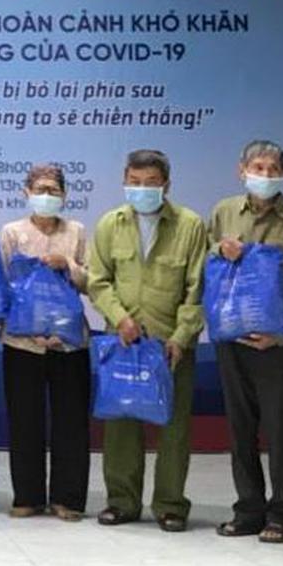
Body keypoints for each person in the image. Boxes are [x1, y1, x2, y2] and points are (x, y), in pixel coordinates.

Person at [87, 149, 206, 532]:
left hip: (171, 346)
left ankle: (170, 504)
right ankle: (122, 501)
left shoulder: (190, 225)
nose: (142, 189)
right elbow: (98, 281)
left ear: (166, 185)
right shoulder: (110, 224)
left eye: (151, 183)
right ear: (125, 181)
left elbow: (197, 288)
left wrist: (181, 336)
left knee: (174, 428)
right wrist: (120, 318)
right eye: (134, 182)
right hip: (123, 343)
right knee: (120, 424)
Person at [207, 140, 283, 544]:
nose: (265, 175)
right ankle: (248, 510)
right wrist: (219, 249)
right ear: (242, 170)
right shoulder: (223, 212)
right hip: (232, 340)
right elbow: (209, 266)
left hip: (278, 345)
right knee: (240, 431)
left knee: (281, 432)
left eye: (273, 169)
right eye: (258, 167)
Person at [0, 163, 90, 522]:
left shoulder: (77, 231)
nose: (46, 196)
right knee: (24, 420)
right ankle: (28, 496)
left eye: (53, 190)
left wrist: (68, 264)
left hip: (69, 343)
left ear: (64, 195)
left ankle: (68, 498)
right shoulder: (12, 233)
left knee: (71, 421)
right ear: (26, 193)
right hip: (23, 343)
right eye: (40, 190)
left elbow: (91, 281)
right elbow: (2, 285)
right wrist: (25, 328)